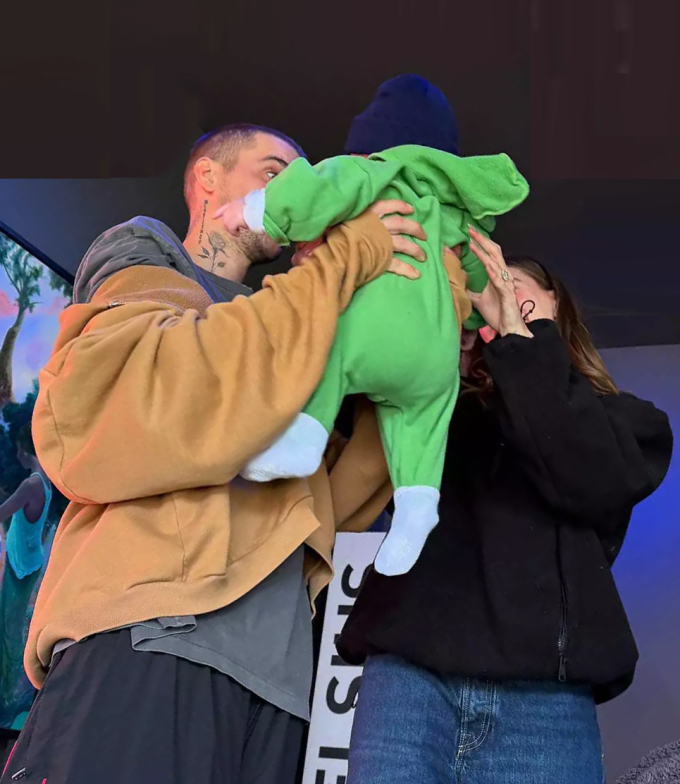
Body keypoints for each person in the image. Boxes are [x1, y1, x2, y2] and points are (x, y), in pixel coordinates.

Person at [1, 123, 427, 784]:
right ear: (208, 178)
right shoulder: (149, 252)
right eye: (274, 170)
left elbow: (325, 505)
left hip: (279, 682)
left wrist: (415, 321)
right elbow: (161, 395)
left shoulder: (297, 330)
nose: (295, 187)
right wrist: (339, 270)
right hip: (153, 632)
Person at [337, 232, 674, 784]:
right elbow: (342, 400)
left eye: (512, 287)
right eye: (481, 295)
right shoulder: (428, 412)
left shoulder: (630, 422)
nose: (493, 299)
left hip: (545, 699)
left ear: (556, 303)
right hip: (409, 679)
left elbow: (584, 476)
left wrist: (519, 339)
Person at [0, 425, 52, 730]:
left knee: (9, 624)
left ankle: (9, 696)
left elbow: (3, 513)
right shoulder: (43, 480)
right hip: (28, 561)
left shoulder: (30, 484)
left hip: (20, 567)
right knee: (13, 620)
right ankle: (12, 689)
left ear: (24, 450)